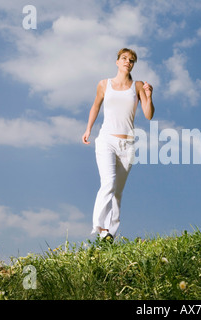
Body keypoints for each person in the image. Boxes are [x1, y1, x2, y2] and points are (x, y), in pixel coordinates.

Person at [82, 48, 154, 242]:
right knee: (108, 182)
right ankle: (100, 227)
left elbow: (148, 114)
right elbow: (96, 105)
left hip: (127, 144)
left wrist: (149, 95)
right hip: (106, 140)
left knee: (117, 192)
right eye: (124, 58)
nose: (127, 62)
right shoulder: (104, 84)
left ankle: (110, 234)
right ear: (117, 62)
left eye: (131, 60)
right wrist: (88, 129)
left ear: (133, 65)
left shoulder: (137, 86)